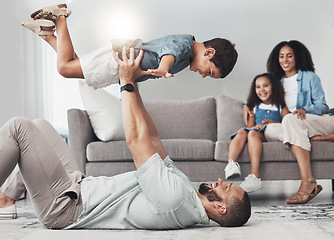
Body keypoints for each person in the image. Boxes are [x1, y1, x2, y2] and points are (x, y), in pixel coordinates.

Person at [0, 47, 251, 228]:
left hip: (65, 207)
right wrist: (137, 81)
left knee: (19, 128)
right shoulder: (186, 191)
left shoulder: (175, 201)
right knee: (41, 126)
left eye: (226, 187)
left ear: (220, 208)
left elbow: (136, 141)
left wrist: (125, 82)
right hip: (79, 185)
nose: (221, 180)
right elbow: (151, 137)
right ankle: (6, 199)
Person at [21, 4, 238, 90]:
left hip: (123, 67)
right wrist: (163, 69)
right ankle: (60, 17)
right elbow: (168, 55)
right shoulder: (185, 45)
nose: (203, 75)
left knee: (76, 66)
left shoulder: (188, 55)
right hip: (122, 58)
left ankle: (47, 34)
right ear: (209, 53)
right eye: (209, 72)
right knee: (65, 68)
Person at [244, 40, 334, 204]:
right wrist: (247, 106)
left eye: (289, 56)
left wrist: (306, 110)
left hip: (317, 120)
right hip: (292, 125)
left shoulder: (309, 77)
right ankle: (318, 138)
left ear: (296, 57)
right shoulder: (277, 82)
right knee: (270, 129)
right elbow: (265, 100)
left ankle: (308, 181)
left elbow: (323, 106)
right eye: (281, 56)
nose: (285, 60)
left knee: (291, 120)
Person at [225, 73, 289, 193]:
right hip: (257, 133)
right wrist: (256, 126)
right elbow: (250, 127)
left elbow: (288, 125)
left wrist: (273, 123)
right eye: (258, 87)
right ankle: (231, 164)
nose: (262, 90)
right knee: (244, 131)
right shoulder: (254, 107)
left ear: (273, 87)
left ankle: (255, 176)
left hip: (270, 134)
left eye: (265, 86)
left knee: (251, 133)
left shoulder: (281, 107)